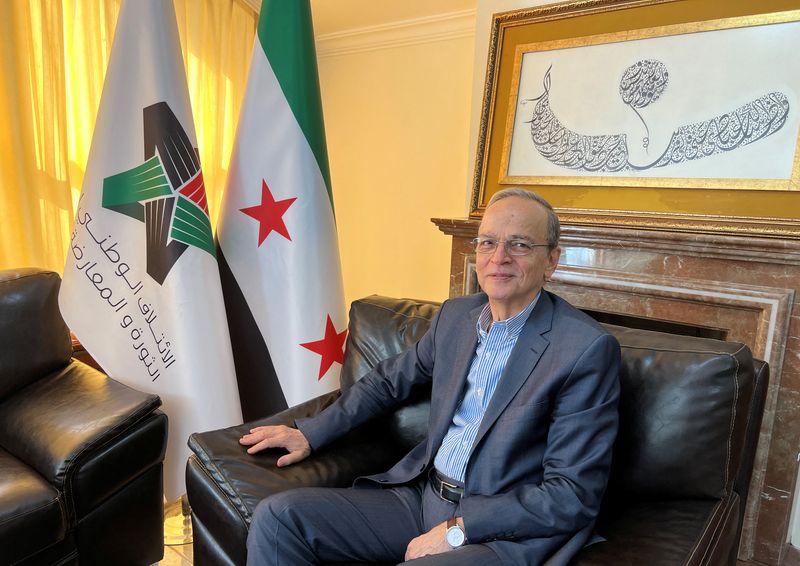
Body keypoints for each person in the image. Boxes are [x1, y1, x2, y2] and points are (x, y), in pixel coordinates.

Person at [241, 188, 621, 565]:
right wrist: (311, 432)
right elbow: (387, 382)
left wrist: (460, 528)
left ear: (551, 260)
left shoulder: (584, 349)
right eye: (488, 242)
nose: (499, 258)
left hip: (501, 532)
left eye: (519, 245)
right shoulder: (455, 318)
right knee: (279, 519)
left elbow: (571, 494)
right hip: (424, 497)